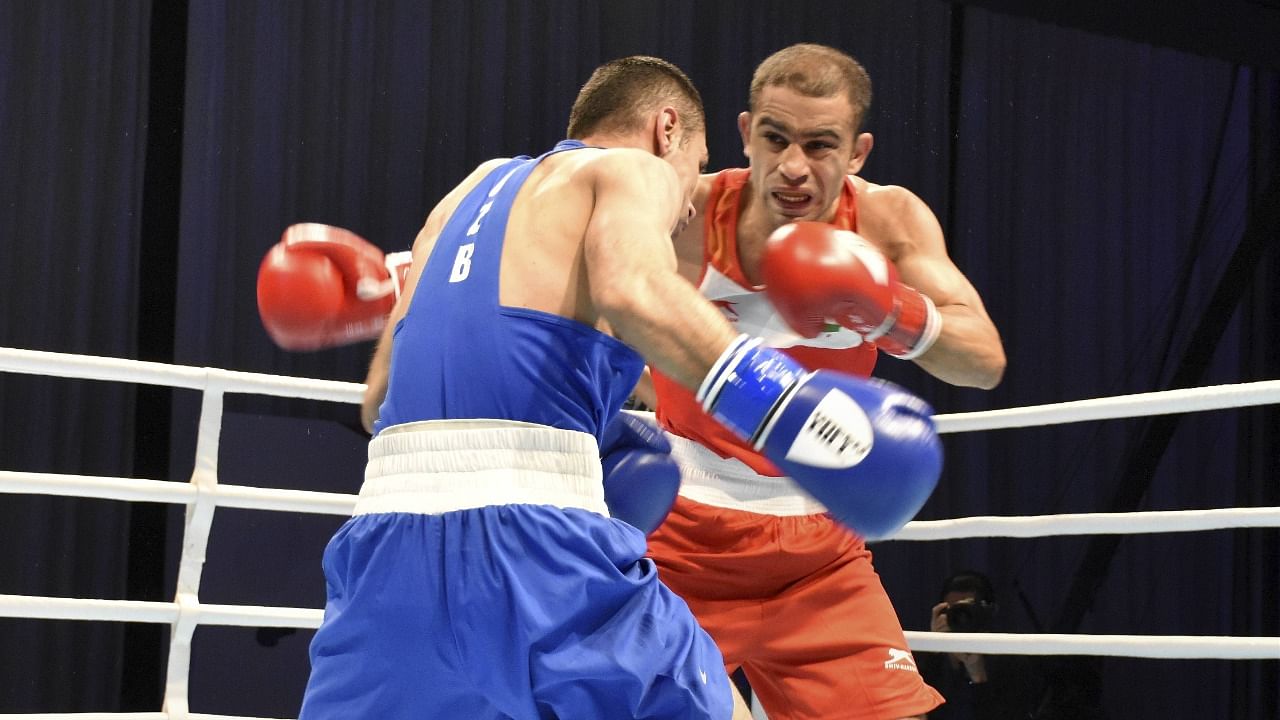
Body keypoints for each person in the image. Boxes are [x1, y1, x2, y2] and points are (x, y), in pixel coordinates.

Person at [287, 54, 945, 720]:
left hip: (380, 551)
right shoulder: (634, 171)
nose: (688, 201)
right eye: (696, 165)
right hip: (536, 541)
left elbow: (379, 401)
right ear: (667, 131)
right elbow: (636, 292)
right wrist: (790, 410)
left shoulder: (468, 191)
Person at [640, 43, 1007, 720]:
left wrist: (889, 311)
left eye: (820, 145)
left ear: (858, 152)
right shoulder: (683, 216)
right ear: (747, 133)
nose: (793, 167)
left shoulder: (886, 222)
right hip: (681, 546)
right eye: (776, 138)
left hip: (822, 554)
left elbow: (983, 359)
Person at [918, 571, 1107, 720]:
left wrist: (978, 677)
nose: (960, 617)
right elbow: (913, 710)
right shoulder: (928, 663)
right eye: (952, 610)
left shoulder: (1013, 662)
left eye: (967, 609)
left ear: (988, 611)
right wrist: (934, 648)